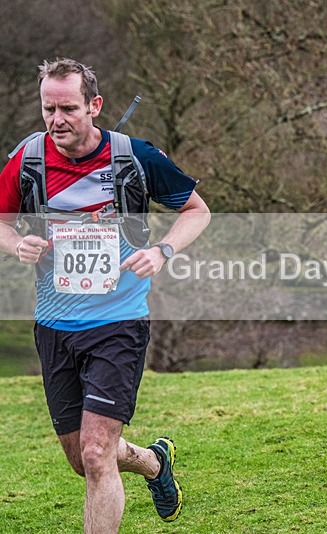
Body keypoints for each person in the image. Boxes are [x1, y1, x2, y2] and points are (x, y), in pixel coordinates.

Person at [0, 59, 210, 532]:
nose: (57, 120)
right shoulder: (29, 159)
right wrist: (17, 244)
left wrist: (162, 250)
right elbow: (1, 221)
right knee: (82, 458)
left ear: (94, 106)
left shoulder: (135, 157)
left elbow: (198, 211)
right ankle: (155, 462)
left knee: (96, 454)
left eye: (68, 108)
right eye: (49, 108)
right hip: (54, 324)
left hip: (119, 320)